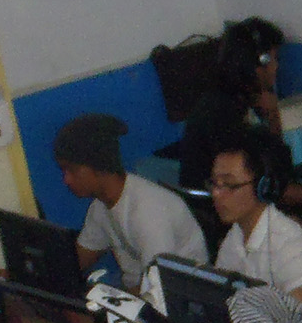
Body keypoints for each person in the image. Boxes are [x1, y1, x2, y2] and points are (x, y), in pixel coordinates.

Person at [176, 17, 302, 205]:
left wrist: (273, 115)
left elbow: (275, 169)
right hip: (221, 211)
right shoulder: (226, 114)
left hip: (224, 204)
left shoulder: (226, 98)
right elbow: (272, 191)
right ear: (259, 62)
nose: (276, 66)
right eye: (275, 58)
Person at [56, 112, 208, 291]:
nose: (66, 180)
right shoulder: (100, 207)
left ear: (99, 167)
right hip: (141, 292)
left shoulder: (148, 213)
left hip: (182, 295)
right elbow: (77, 262)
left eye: (72, 171)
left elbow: (158, 291)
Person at [209, 128, 302, 314]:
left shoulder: (291, 247)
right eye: (215, 183)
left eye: (229, 184)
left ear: (264, 187)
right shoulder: (234, 238)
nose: (216, 193)